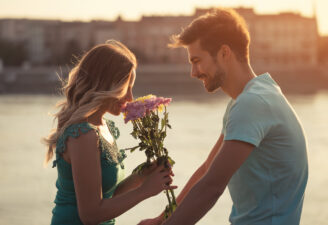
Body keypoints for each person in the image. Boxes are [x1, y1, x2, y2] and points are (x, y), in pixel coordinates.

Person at [139, 8, 308, 225]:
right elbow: (206, 171)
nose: (193, 72)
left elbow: (212, 187)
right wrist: (160, 219)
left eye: (197, 60)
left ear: (224, 53)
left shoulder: (252, 103)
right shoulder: (248, 99)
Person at [43, 40, 176, 225]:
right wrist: (145, 191)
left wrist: (141, 177)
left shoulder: (103, 127)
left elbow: (106, 196)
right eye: (125, 88)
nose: (130, 97)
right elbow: (90, 215)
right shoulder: (83, 134)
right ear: (106, 84)